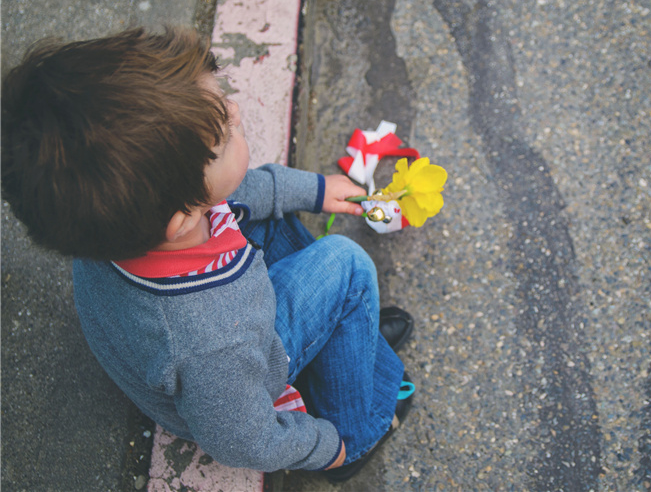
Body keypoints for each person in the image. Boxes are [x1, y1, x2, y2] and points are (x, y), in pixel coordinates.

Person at [1, 27, 415, 480]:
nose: (234, 110)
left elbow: (234, 194)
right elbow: (244, 439)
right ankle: (359, 424)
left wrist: (314, 190)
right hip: (230, 384)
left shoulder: (119, 222)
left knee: (267, 219)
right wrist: (324, 445)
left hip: (213, 348)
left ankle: (347, 339)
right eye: (223, 129)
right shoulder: (211, 344)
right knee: (347, 267)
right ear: (182, 219)